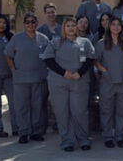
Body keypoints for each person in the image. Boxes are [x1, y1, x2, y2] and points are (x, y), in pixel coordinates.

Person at [43, 17, 95, 151]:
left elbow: (90, 59)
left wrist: (80, 72)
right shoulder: (55, 42)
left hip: (79, 83)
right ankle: (67, 141)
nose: (71, 28)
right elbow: (48, 60)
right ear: (63, 28)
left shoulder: (85, 42)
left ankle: (83, 139)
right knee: (62, 112)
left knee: (80, 112)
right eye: (68, 26)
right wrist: (63, 72)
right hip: (59, 83)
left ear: (77, 27)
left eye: (73, 25)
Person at [5, 12, 49, 144]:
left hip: (39, 78)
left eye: (33, 21)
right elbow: (8, 55)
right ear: (24, 24)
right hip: (21, 79)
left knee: (37, 106)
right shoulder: (17, 38)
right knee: (21, 107)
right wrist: (13, 69)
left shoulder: (43, 39)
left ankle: (35, 132)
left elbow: (49, 57)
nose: (30, 24)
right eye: (27, 22)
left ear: (37, 23)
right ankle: (23, 132)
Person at [95, 17, 123, 148]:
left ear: (121, 27)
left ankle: (120, 136)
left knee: (122, 110)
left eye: (118, 25)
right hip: (107, 82)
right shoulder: (102, 43)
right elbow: (95, 60)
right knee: (106, 110)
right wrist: (103, 70)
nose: (115, 27)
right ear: (109, 27)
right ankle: (108, 136)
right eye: (113, 24)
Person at [37, 3, 62, 134]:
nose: (51, 14)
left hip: (58, 70)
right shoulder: (40, 31)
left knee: (57, 99)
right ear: (45, 14)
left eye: (53, 12)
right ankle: (43, 125)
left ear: (56, 13)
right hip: (44, 69)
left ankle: (58, 124)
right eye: (48, 12)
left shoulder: (62, 29)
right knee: (42, 98)